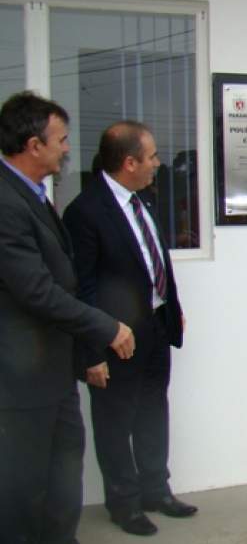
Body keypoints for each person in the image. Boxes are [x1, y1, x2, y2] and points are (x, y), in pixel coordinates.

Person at [0, 91, 135, 543]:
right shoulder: (5, 202)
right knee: (24, 492)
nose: (66, 149)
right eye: (60, 139)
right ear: (33, 145)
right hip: (20, 382)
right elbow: (37, 291)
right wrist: (105, 327)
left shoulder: (33, 194)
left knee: (61, 484)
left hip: (52, 371)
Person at [63, 121, 195, 536]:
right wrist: (92, 352)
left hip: (154, 330)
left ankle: (156, 490)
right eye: (152, 156)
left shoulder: (144, 200)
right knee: (115, 422)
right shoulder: (85, 212)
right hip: (115, 337)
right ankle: (124, 503)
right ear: (129, 162)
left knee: (154, 410)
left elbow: (154, 261)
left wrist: (170, 308)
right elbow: (81, 288)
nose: (158, 163)